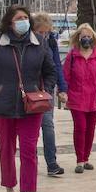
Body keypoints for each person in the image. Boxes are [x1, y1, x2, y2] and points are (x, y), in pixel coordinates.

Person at [0, 4, 56, 192]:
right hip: (2, 106)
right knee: (6, 149)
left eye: (26, 18)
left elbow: (51, 71)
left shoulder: (38, 43)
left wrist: (44, 91)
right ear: (10, 22)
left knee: (29, 150)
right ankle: (9, 191)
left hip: (31, 106)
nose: (24, 21)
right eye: (19, 18)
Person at [63, 22, 96, 173]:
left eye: (89, 36)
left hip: (95, 99)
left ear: (93, 38)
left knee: (90, 129)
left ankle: (87, 158)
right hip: (77, 98)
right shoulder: (72, 55)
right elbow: (66, 76)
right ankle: (79, 160)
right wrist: (65, 92)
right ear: (78, 38)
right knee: (80, 128)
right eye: (83, 36)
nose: (86, 39)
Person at [31, 13, 69, 178]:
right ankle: (31, 162)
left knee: (48, 126)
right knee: (31, 129)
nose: (44, 35)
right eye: (41, 32)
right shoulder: (28, 44)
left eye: (46, 32)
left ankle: (51, 164)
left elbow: (56, 66)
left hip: (46, 90)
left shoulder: (51, 42)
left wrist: (62, 87)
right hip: (30, 90)